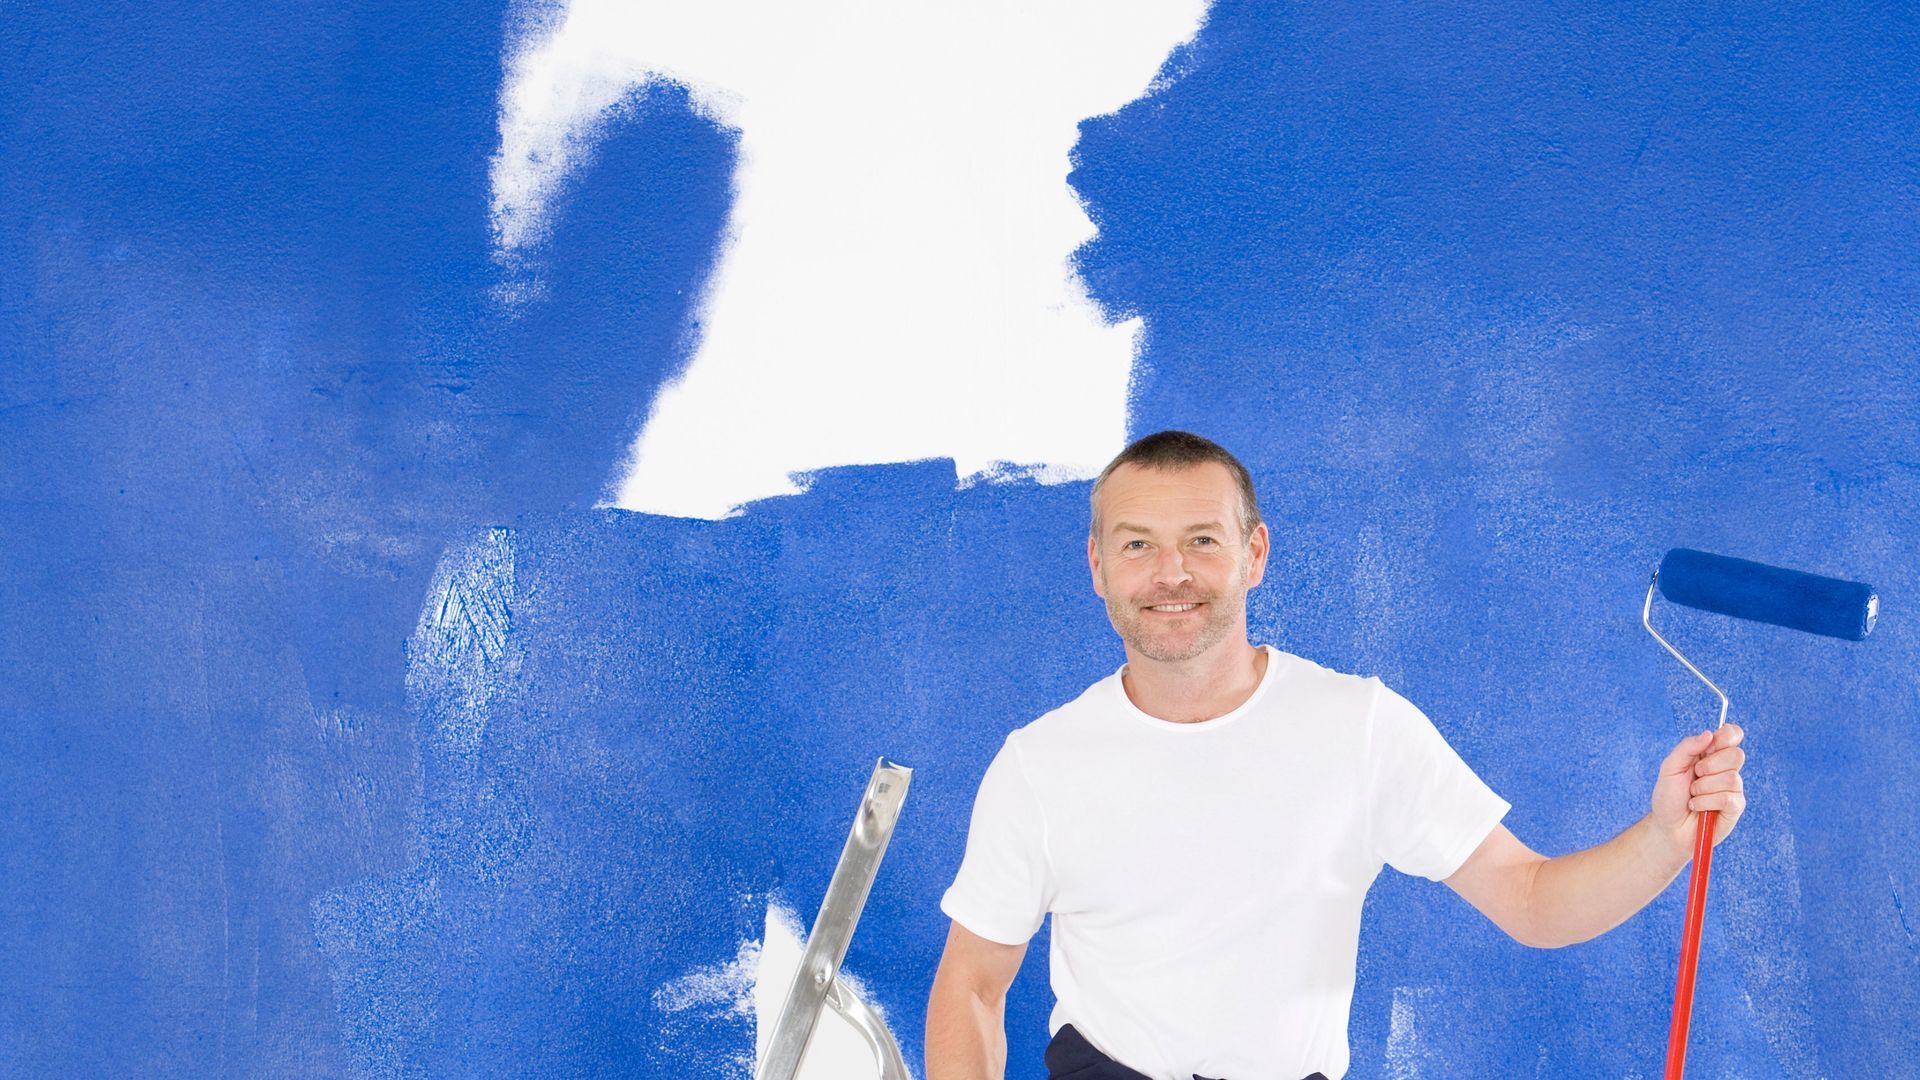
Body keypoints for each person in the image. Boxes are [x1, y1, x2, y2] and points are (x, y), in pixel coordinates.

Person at [923, 430, 1747, 1080]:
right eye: (1137, 545)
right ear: (1098, 566)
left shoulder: (1360, 728)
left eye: (1202, 539)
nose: (1171, 573)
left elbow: (1532, 901)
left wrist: (1664, 838)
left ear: (1255, 554)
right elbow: (971, 987)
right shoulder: (1041, 763)